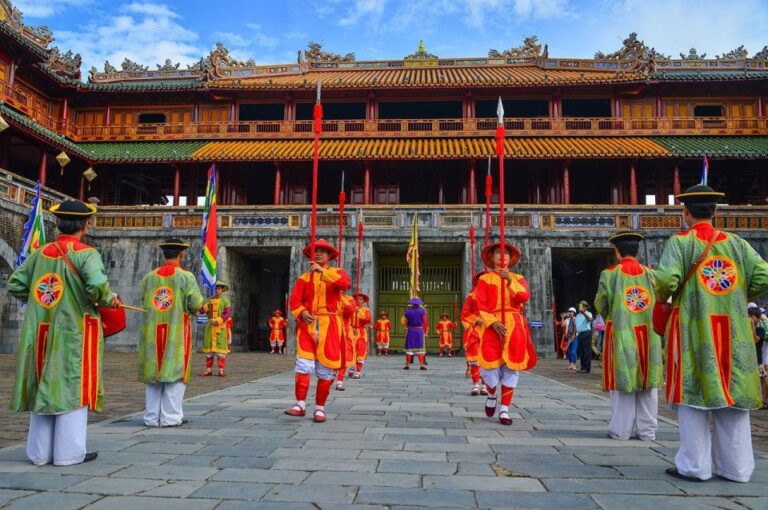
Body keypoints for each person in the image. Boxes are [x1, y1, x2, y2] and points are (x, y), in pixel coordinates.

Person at [654, 184, 768, 483]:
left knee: (692, 395)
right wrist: (738, 294)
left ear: (686, 212)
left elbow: (666, 279)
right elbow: (763, 275)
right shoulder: (738, 244)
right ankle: (737, 468)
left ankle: (694, 466)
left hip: (694, 327)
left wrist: (670, 294)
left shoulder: (681, 243)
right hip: (734, 331)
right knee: (734, 395)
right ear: (716, 211)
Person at [8, 199, 120, 465]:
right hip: (73, 332)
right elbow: (97, 287)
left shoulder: (40, 253)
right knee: (71, 385)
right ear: (85, 224)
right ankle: (68, 454)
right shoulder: (86, 253)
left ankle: (38, 453)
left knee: (43, 383)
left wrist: (39, 301)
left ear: (59, 224)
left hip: (41, 330)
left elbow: (16, 283)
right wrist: (108, 299)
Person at [594, 231, 662, 441]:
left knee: (622, 381)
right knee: (648, 382)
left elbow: (601, 303)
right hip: (649, 333)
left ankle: (621, 430)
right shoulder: (652, 274)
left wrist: (613, 316)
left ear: (617, 251)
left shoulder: (610, 274)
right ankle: (647, 431)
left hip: (622, 331)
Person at [138, 239, 204, 427]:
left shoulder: (149, 277)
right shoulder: (185, 277)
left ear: (164, 254)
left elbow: (144, 299)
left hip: (151, 330)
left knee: (153, 374)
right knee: (175, 372)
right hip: (176, 331)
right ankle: (171, 417)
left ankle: (151, 417)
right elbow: (195, 303)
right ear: (181, 255)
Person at [286, 239, 351, 422]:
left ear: (330, 256)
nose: (320, 254)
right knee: (303, 365)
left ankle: (320, 408)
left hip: (330, 324)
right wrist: (302, 312)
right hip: (308, 325)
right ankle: (300, 404)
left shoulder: (337, 273)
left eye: (323, 251)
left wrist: (322, 272)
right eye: (316, 251)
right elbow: (295, 301)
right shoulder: (304, 278)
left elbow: (345, 284)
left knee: (325, 369)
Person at [476, 241, 537, 425]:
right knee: (489, 366)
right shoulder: (484, 279)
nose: (502, 256)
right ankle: (492, 394)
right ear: (492, 257)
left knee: (512, 367)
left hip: (514, 324)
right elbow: (481, 304)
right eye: (498, 253)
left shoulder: (518, 278)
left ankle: (504, 409)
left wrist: (509, 280)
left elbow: (524, 297)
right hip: (492, 324)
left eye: (506, 254)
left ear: (511, 259)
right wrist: (492, 322)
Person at [461, 271, 488, 396]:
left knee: (488, 359)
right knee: (475, 358)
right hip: (476, 330)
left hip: (490, 329)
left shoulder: (494, 295)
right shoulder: (472, 295)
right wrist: (476, 320)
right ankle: (476, 384)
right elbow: (465, 313)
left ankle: (485, 386)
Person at [201, 282, 231, 376]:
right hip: (210, 327)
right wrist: (207, 305)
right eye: (216, 288)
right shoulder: (209, 300)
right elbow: (201, 311)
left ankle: (221, 369)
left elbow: (227, 314)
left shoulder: (225, 301)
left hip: (220, 327)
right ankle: (209, 369)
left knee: (220, 350)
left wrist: (218, 320)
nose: (217, 290)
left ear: (222, 290)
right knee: (209, 350)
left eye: (219, 288)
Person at [336, 293, 356, 391]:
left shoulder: (349, 299)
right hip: (331, 329)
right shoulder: (327, 295)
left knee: (344, 355)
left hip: (346, 331)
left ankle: (340, 381)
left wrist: (340, 298)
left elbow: (350, 310)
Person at [402, 297, 428, 370]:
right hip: (419, 331)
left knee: (409, 348)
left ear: (412, 304)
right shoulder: (423, 311)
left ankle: (407, 365)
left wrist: (406, 325)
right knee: (420, 349)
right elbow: (425, 321)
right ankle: (422, 365)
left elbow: (403, 321)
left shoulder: (407, 312)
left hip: (410, 330)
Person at [352, 292, 371, 379]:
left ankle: (358, 371)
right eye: (357, 299)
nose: (358, 300)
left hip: (361, 332)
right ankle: (352, 366)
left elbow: (367, 319)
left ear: (363, 301)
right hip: (351, 331)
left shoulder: (366, 309)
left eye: (360, 299)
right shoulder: (350, 308)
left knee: (360, 351)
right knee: (351, 350)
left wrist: (358, 313)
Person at [575, 301, 593, 373]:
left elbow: (590, 319)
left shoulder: (588, 313)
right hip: (580, 333)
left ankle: (586, 367)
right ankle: (583, 367)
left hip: (586, 333)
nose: (580, 308)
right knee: (581, 351)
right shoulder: (578, 315)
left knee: (586, 351)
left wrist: (584, 313)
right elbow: (577, 326)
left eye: (582, 306)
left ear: (585, 307)